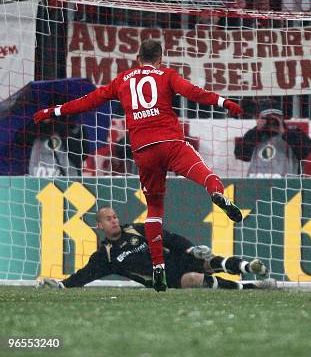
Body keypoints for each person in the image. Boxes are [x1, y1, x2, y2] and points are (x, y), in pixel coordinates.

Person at [34, 39, 245, 292]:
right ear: (160, 59)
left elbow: (89, 101)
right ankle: (216, 194)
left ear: (137, 58)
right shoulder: (167, 75)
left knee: (155, 210)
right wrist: (224, 103)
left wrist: (54, 111)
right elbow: (194, 93)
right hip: (171, 143)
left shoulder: (122, 80)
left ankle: (158, 268)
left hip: (144, 151)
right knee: (207, 176)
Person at [38, 207, 275, 290]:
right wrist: (62, 284)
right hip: (164, 278)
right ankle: (253, 285)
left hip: (176, 260)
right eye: (108, 219)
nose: (114, 220)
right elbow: (84, 275)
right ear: (99, 225)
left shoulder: (138, 229)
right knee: (194, 278)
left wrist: (191, 249)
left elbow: (170, 238)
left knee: (208, 260)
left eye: (115, 216)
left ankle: (247, 266)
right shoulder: (105, 256)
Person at [234, 99, 311, 177]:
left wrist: (285, 132)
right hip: (257, 185)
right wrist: (257, 130)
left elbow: (305, 152)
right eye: (267, 118)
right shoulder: (254, 135)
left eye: (276, 117)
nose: (271, 121)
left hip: (286, 186)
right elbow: (240, 154)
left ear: (282, 118)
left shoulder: (294, 133)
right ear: (259, 118)